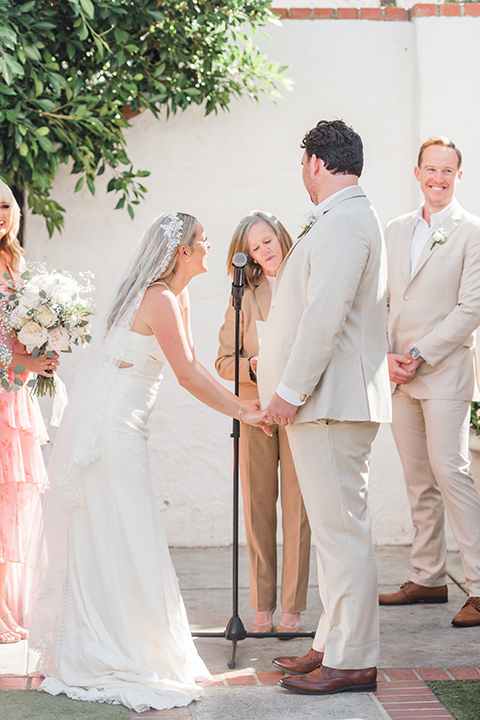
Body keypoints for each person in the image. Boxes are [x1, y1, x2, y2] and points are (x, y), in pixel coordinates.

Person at [29, 212, 270, 713]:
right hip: (114, 427)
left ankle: (126, 633)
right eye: (203, 241)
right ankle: (121, 645)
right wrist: (243, 409)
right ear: (183, 252)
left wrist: (240, 404)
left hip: (124, 420)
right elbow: (187, 373)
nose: (210, 247)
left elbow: (192, 368)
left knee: (121, 527)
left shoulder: (172, 295)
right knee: (126, 527)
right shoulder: (160, 297)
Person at [257, 120, 391, 695]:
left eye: (302, 164)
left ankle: (354, 659)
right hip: (330, 400)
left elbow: (324, 316)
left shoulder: (344, 221)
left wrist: (288, 391)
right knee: (338, 530)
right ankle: (331, 643)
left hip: (329, 401)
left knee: (342, 534)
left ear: (315, 161)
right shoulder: (345, 218)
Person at [379, 136, 480, 627]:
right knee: (418, 480)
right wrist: (388, 357)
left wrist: (419, 354)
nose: (438, 178)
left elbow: (472, 308)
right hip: (398, 375)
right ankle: (428, 576)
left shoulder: (472, 232)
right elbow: (379, 302)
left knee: (451, 472)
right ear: (416, 172)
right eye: (430, 169)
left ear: (459, 177)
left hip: (444, 371)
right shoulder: (396, 229)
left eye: (448, 171)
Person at [216, 211, 311, 636]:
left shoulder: (307, 279)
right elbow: (222, 361)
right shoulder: (244, 295)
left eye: (268, 241)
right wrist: (253, 367)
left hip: (301, 409)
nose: (265, 251)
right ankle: (262, 605)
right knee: (256, 508)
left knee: (298, 508)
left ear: (281, 237)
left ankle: (292, 607)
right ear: (247, 256)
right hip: (255, 412)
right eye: (255, 247)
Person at [0, 181, 59, 645]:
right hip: (4, 386)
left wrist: (45, 348)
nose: (0, 213)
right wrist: (21, 362)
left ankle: (8, 606)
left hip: (14, 396)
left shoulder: (13, 262)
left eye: (5, 204)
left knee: (13, 506)